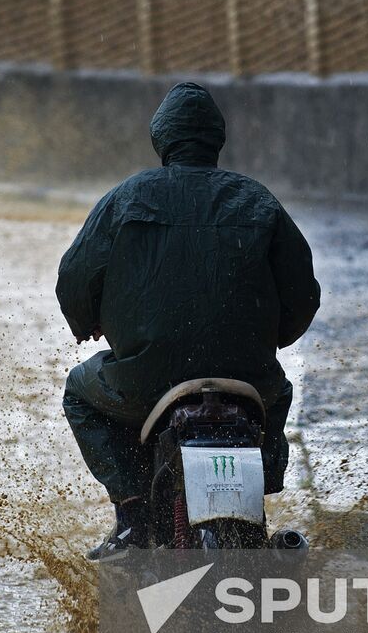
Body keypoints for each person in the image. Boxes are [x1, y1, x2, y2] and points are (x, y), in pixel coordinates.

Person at [57, 82, 320, 559]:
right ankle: (263, 485)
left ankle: (132, 517)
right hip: (248, 377)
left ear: (162, 140)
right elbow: (303, 293)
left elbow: (75, 278)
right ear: (216, 140)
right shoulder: (258, 201)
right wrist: (273, 338)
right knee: (278, 390)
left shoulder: (126, 198)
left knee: (80, 391)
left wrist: (86, 322)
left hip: (145, 379)